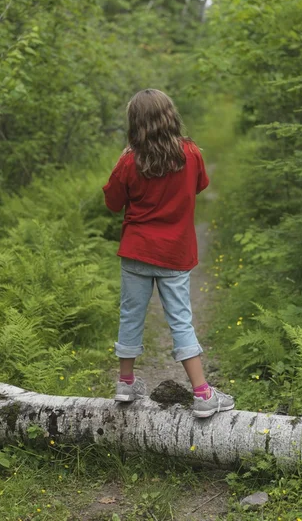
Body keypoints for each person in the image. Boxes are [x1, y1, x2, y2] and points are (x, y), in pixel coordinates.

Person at [103, 88, 234, 418]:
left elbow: (112, 202)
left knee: (131, 315)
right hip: (175, 253)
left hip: (136, 252)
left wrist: (125, 160)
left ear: (136, 123)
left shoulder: (129, 161)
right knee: (181, 320)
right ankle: (203, 394)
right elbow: (200, 185)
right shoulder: (190, 153)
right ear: (170, 117)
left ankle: (125, 381)